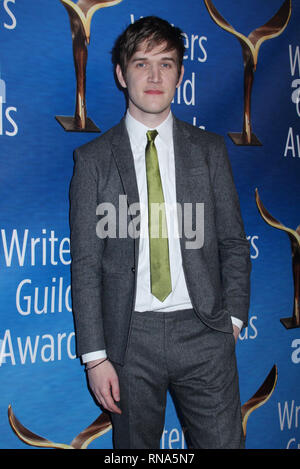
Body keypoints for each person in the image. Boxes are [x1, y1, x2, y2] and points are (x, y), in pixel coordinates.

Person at [69, 16, 251, 449]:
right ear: (121, 74)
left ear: (180, 75)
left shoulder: (209, 151)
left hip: (205, 333)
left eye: (166, 64)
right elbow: (87, 264)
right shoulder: (92, 161)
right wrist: (96, 357)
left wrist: (233, 320)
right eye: (142, 63)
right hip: (129, 341)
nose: (154, 76)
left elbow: (232, 243)